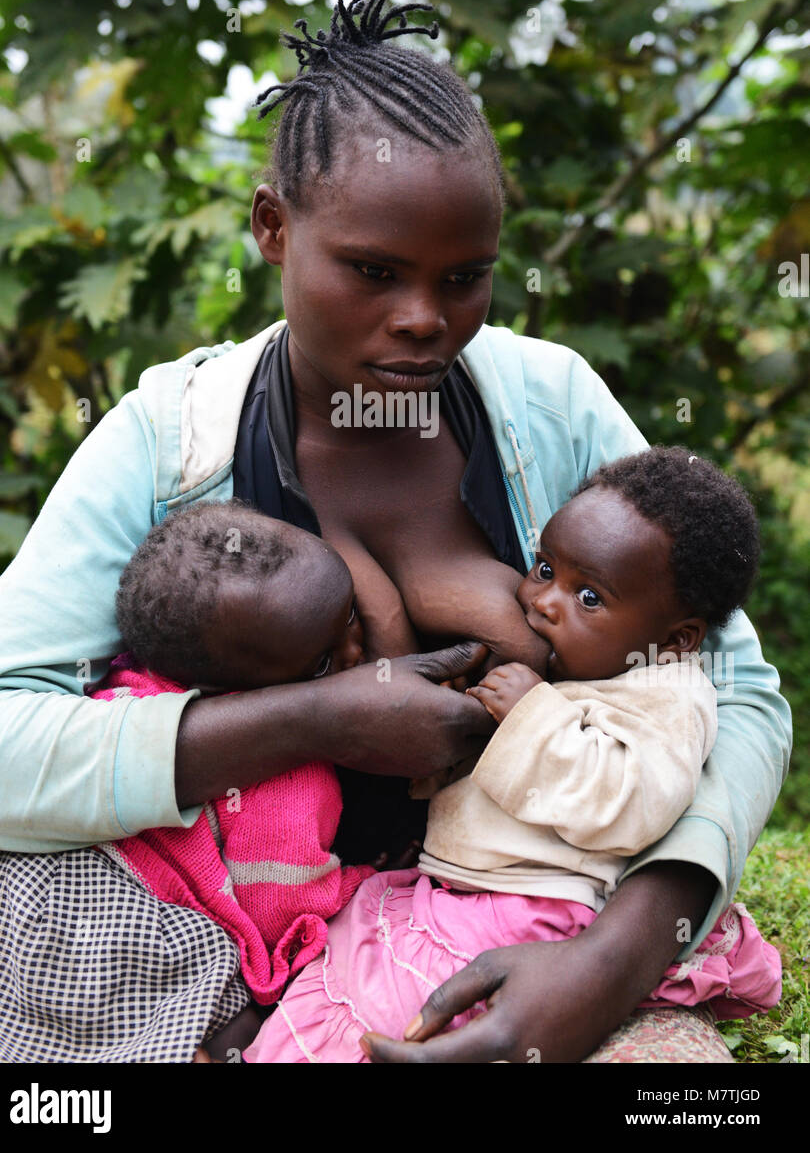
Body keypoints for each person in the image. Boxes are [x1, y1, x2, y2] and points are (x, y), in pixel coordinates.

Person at [0, 0, 791, 1063]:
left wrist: (614, 958)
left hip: (527, 929)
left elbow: (738, 695)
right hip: (218, 967)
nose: (423, 319)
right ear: (273, 227)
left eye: (467, 277)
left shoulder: (550, 408)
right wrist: (312, 719)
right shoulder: (171, 444)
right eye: (373, 271)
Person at [244, 448, 782, 1062]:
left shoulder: (668, 693)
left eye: (589, 598)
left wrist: (528, 718)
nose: (545, 601)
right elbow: (498, 793)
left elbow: (631, 802)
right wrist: (453, 742)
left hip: (541, 909)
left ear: (676, 639)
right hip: (464, 893)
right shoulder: (580, 670)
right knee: (346, 962)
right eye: (545, 567)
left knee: (393, 998)